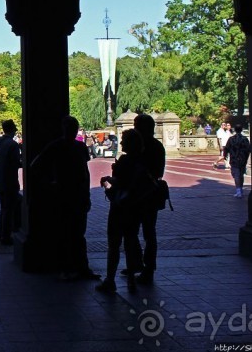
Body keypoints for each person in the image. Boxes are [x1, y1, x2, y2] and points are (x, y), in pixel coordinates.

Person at [30, 115, 99, 280]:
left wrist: (49, 183)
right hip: (68, 194)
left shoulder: (59, 146)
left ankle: (74, 268)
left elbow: (35, 166)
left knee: (73, 233)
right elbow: (84, 171)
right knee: (70, 233)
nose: (72, 131)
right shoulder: (72, 147)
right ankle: (73, 267)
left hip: (69, 193)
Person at [95, 128, 154, 294]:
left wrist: (107, 180)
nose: (121, 143)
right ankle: (130, 281)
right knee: (130, 241)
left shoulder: (125, 160)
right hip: (135, 206)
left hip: (120, 206)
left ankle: (110, 279)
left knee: (114, 243)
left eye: (124, 140)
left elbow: (120, 182)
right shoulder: (142, 161)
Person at [131, 113, 166, 284]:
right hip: (151, 194)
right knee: (148, 232)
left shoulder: (142, 147)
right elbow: (159, 172)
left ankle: (143, 265)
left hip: (142, 194)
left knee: (136, 231)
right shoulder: (157, 146)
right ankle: (145, 265)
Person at [0, 119, 22, 245]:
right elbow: (16, 163)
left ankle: (1, 234)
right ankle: (6, 236)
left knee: (3, 208)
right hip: (10, 179)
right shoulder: (12, 144)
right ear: (12, 129)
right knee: (9, 209)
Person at [224, 124, 251, 199]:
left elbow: (226, 148)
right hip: (242, 160)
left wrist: (225, 155)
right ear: (241, 130)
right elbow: (249, 149)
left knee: (236, 175)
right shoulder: (245, 139)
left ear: (235, 130)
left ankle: (238, 190)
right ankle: (240, 189)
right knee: (241, 174)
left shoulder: (231, 139)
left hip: (234, 159)